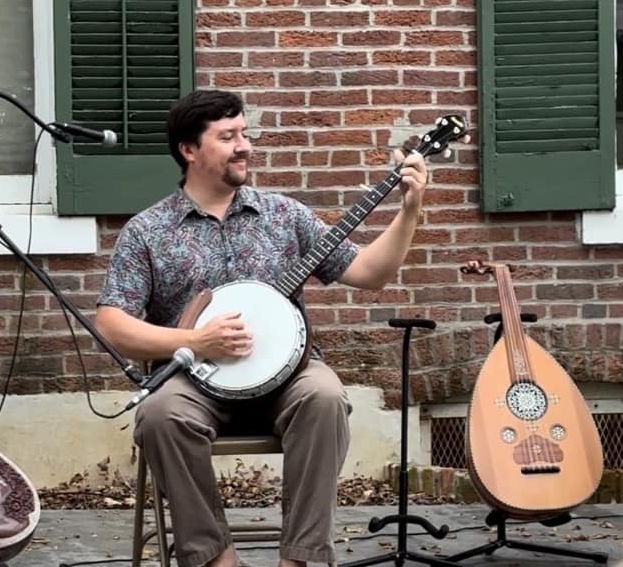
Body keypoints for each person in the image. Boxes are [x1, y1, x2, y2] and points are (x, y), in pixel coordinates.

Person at [95, 89, 428, 567]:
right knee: (158, 415)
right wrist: (194, 340)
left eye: (245, 134)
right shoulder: (149, 231)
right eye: (228, 137)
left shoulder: (283, 215)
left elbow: (369, 273)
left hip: (287, 377)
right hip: (197, 381)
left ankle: (300, 558)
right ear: (189, 150)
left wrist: (410, 209)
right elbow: (112, 322)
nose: (245, 146)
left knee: (326, 396)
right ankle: (216, 558)